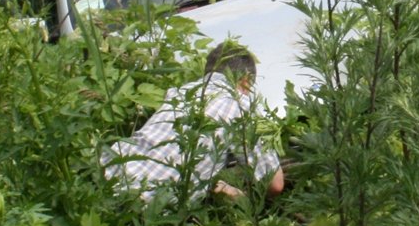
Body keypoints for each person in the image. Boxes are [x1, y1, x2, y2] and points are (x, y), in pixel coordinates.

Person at [101, 42, 284, 204]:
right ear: (245, 80)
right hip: (144, 201)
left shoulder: (179, 92)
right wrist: (241, 196)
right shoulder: (239, 103)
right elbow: (274, 184)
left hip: (104, 173)